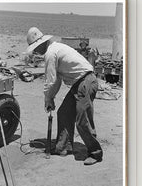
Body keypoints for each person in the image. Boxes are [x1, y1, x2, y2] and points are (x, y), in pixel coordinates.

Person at [26, 27, 103, 166]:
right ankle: (63, 147)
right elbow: (57, 81)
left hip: (86, 82)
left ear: (43, 44)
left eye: (36, 48)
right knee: (64, 113)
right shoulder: (56, 49)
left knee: (82, 120)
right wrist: (51, 98)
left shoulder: (50, 53)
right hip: (79, 83)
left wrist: (48, 99)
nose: (36, 52)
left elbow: (50, 81)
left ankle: (95, 153)